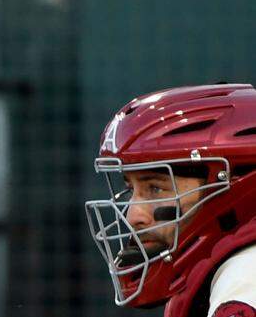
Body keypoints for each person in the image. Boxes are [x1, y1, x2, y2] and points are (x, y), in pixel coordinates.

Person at [85, 83, 256, 316]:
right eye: (130, 188)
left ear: (234, 185)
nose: (133, 216)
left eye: (156, 188)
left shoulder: (244, 286)